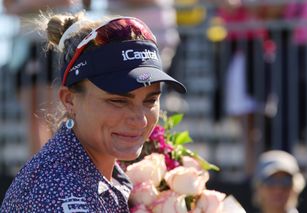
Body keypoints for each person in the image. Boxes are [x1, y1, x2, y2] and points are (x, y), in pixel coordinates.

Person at [0, 12, 186, 212]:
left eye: (151, 101)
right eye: (118, 101)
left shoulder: (89, 169)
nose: (140, 120)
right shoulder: (59, 193)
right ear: (69, 100)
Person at [2, 0, 82, 155]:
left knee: (52, 115)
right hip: (24, 47)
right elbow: (9, 7)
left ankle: (56, 165)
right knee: (32, 117)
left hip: (52, 45)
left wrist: (25, 5)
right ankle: (38, 170)